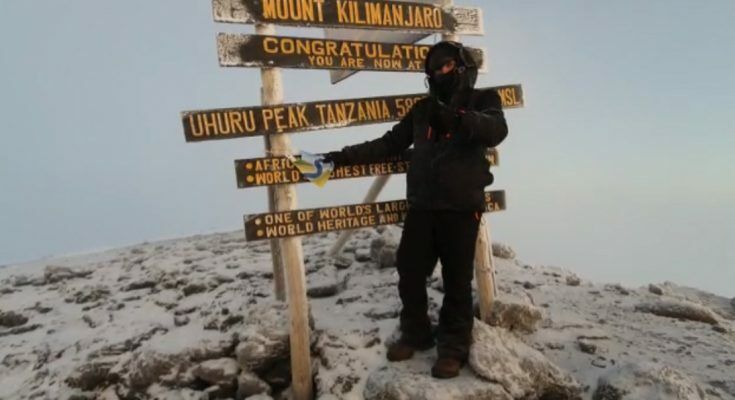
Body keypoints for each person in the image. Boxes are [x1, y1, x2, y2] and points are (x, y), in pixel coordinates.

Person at [322, 41, 508, 379]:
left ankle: (452, 349)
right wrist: (337, 158)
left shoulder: (484, 100)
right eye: (433, 69)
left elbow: (497, 130)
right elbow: (388, 143)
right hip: (422, 206)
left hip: (461, 208)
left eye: (446, 65)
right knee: (409, 271)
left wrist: (458, 118)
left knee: (456, 280)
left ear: (463, 66)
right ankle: (416, 334)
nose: (439, 73)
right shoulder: (422, 110)